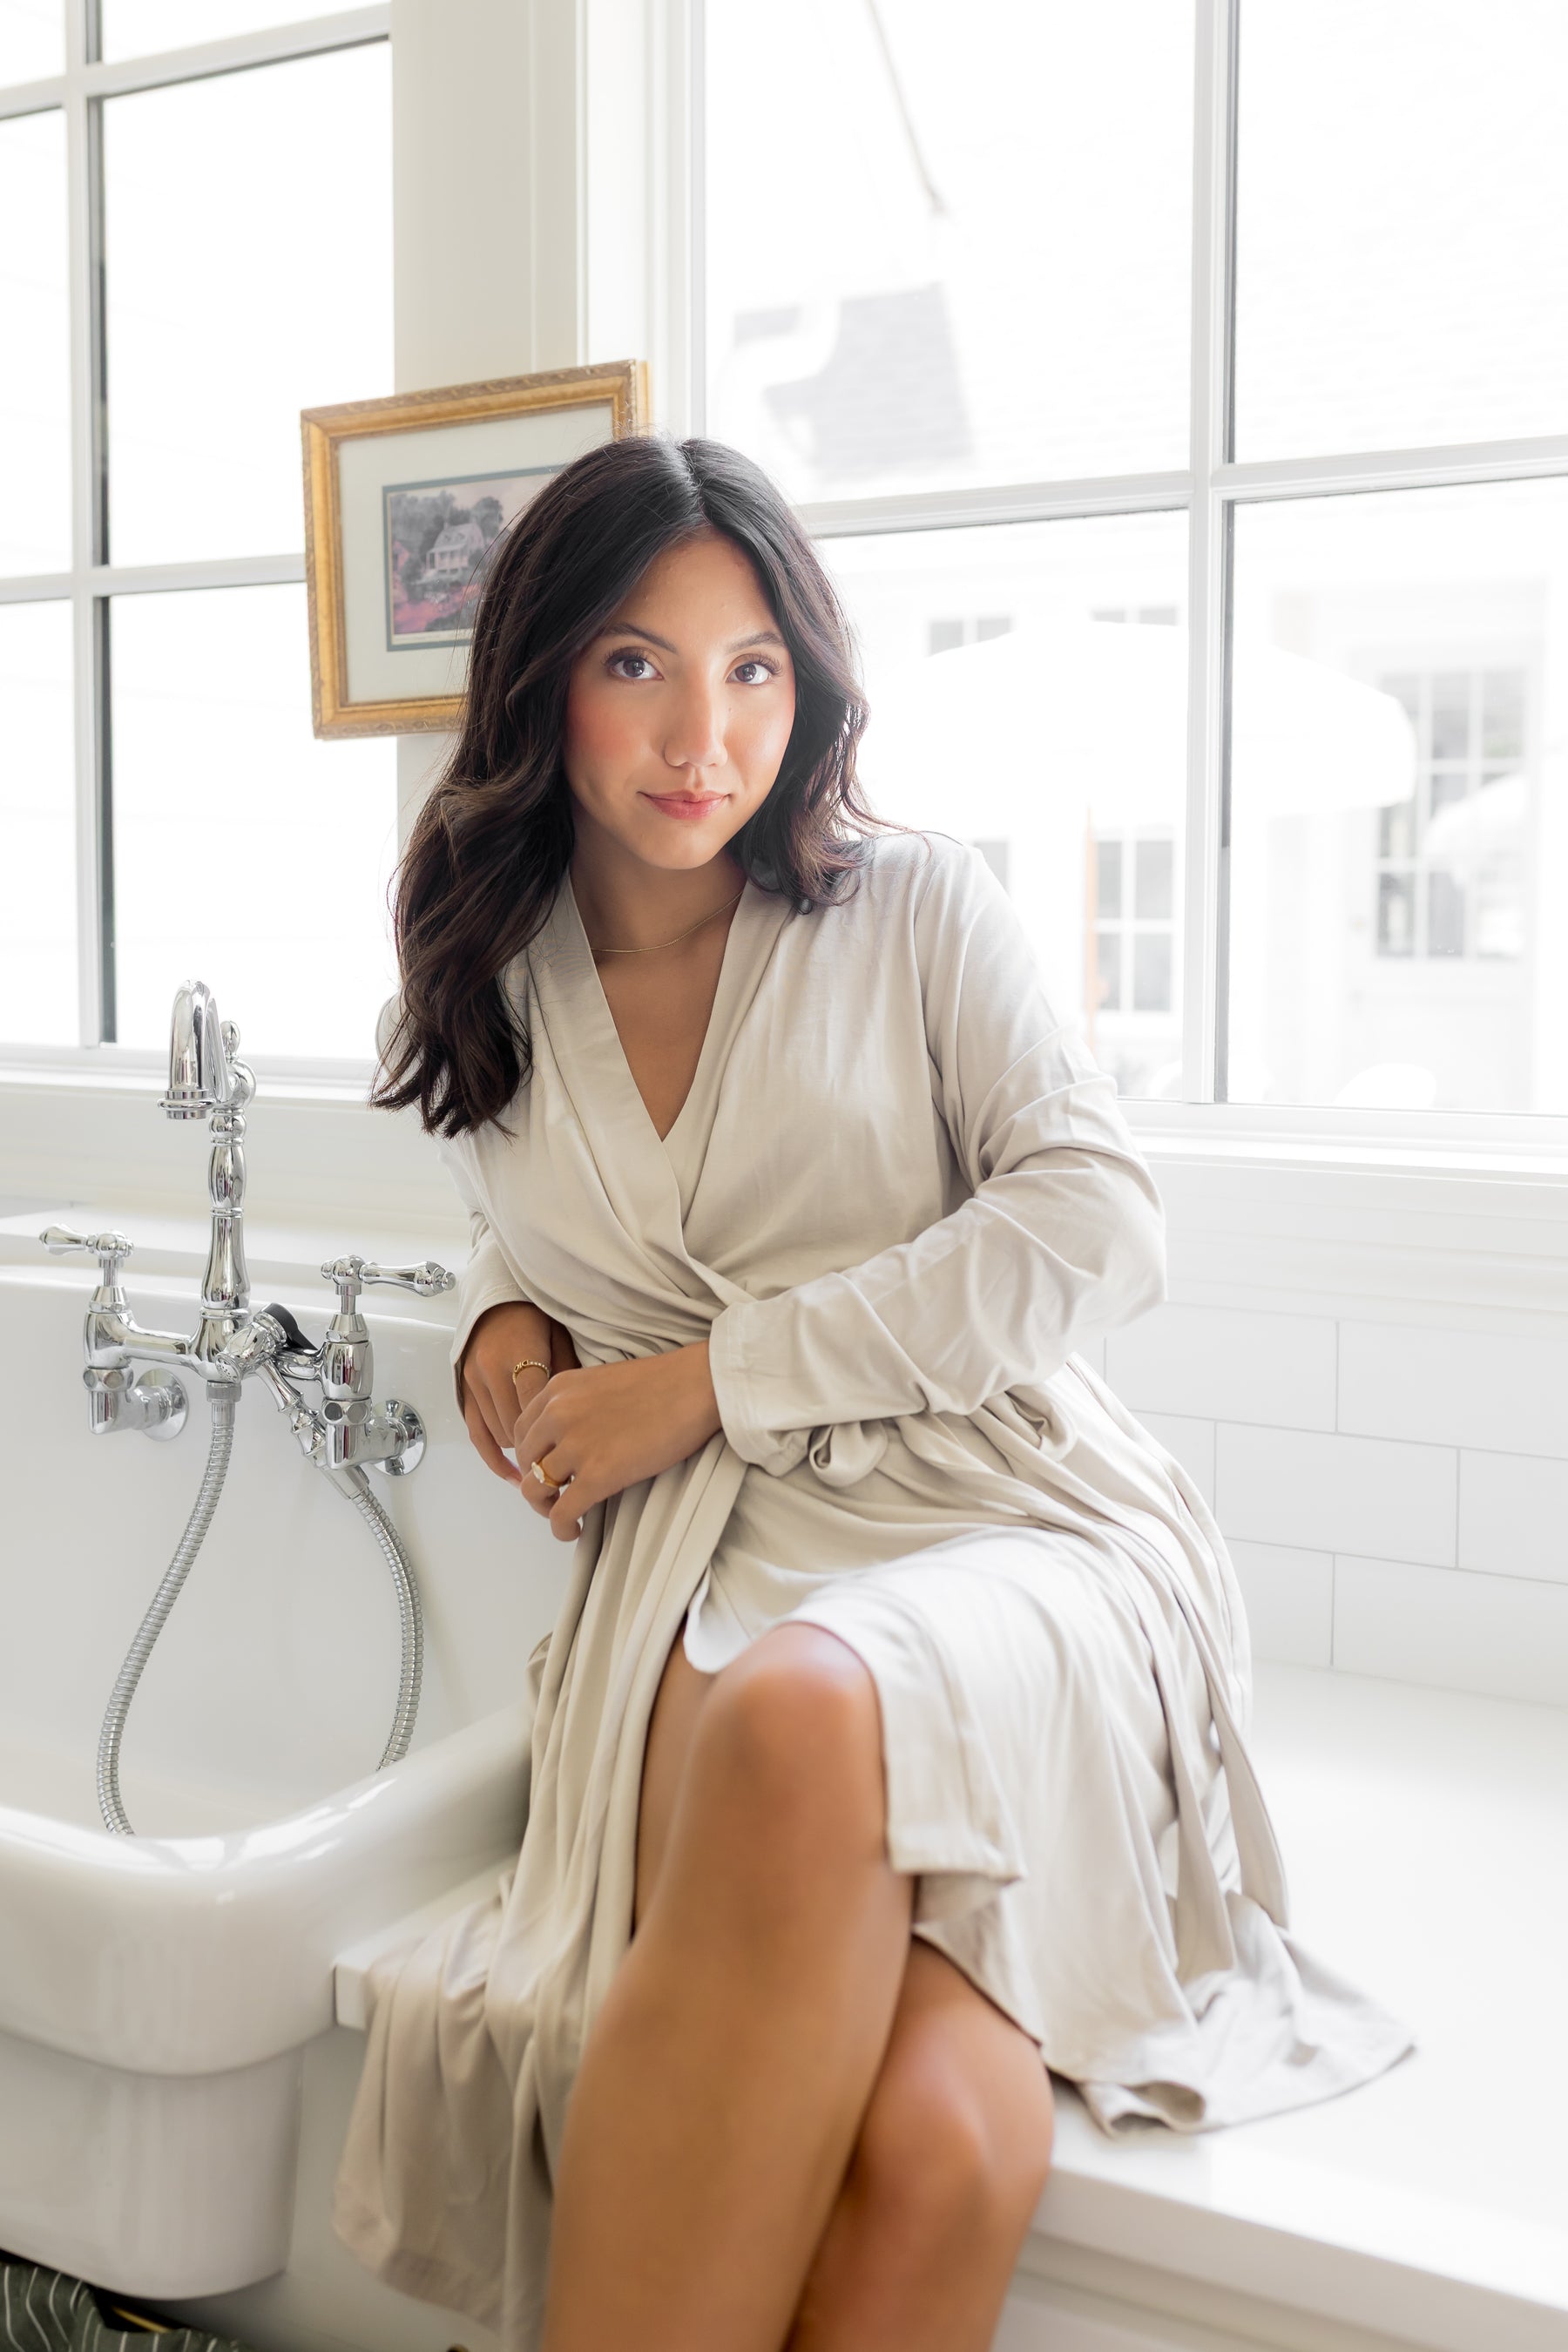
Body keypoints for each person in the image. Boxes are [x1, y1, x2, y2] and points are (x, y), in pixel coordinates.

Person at [333, 434, 1409, 2352]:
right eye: (640, 664)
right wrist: (504, 1314)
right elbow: (540, 1201)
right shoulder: (487, 971)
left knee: (801, 1709)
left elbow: (1097, 1224)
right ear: (541, 681)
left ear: (809, 685)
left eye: (754, 669)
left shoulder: (914, 909)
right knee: (932, 2147)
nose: (706, 737)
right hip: (721, 1553)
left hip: (1006, 1518)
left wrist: (712, 1383)